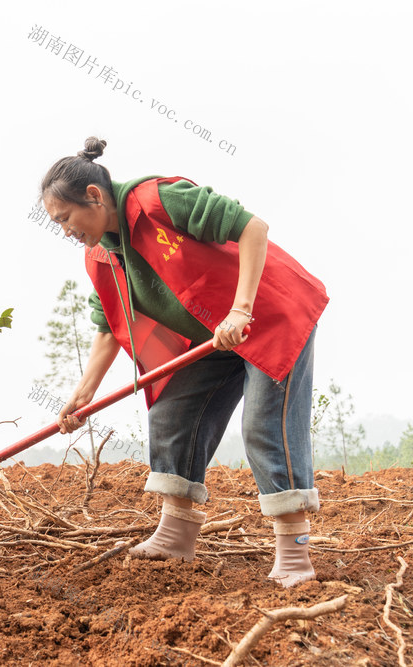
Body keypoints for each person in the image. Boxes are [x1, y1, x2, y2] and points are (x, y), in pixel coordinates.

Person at [44, 137, 327, 588]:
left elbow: (253, 228)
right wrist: (81, 397)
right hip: (214, 337)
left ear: (94, 197)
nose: (64, 230)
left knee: (264, 426)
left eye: (65, 218)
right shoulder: (100, 255)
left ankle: (294, 555)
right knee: (174, 413)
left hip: (269, 314)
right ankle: (176, 534)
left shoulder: (159, 199)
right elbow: (107, 328)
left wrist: (241, 310)